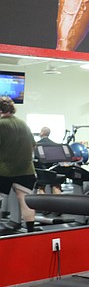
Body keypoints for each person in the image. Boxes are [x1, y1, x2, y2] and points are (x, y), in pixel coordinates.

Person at [0, 97, 37, 232]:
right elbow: (33, 146)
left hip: (4, 170)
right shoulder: (23, 124)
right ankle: (31, 231)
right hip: (26, 170)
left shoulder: (1, 124)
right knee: (25, 201)